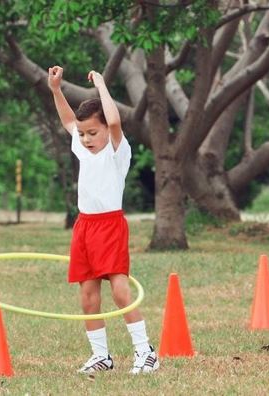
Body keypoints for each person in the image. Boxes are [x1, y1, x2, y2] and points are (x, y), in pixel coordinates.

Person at [48, 65, 159, 374]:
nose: (85, 138)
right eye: (82, 134)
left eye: (91, 133)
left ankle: (145, 351)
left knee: (121, 290)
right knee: (87, 294)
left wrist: (100, 85)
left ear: (106, 133)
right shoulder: (83, 149)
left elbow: (113, 119)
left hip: (109, 226)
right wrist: (56, 89)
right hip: (84, 226)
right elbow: (70, 120)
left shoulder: (116, 150)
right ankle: (102, 356)